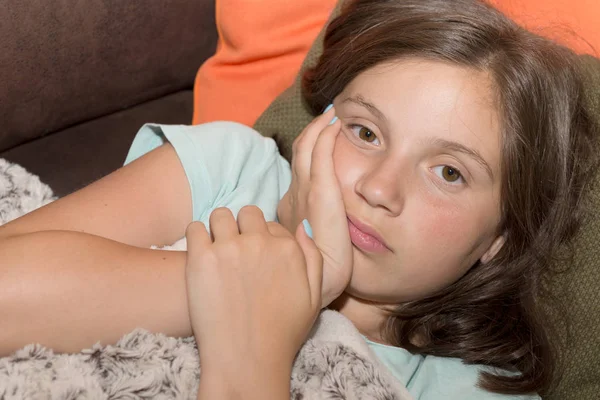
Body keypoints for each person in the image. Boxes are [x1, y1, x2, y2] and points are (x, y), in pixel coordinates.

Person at [0, 0, 596, 398]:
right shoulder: (232, 166)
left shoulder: (470, 390)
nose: (378, 188)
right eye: (365, 133)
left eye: (447, 172)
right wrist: (283, 269)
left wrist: (255, 347)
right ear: (323, 122)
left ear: (500, 238)